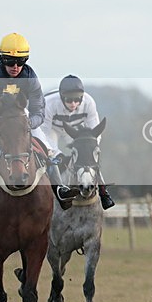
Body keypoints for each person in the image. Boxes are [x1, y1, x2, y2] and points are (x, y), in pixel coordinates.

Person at [0, 33, 79, 211]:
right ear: (2, 59)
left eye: (21, 61)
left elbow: (38, 109)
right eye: (9, 62)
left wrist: (30, 123)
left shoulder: (30, 77)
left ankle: (60, 189)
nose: (15, 66)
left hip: (20, 116)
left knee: (48, 147)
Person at [41, 75, 115, 209]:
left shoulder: (89, 102)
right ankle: (58, 191)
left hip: (75, 129)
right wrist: (57, 153)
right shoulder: (49, 103)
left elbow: (94, 131)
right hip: (52, 129)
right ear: (62, 97)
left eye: (77, 100)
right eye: (69, 100)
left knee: (90, 157)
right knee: (51, 158)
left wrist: (90, 147)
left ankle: (104, 192)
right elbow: (44, 133)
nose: (73, 104)